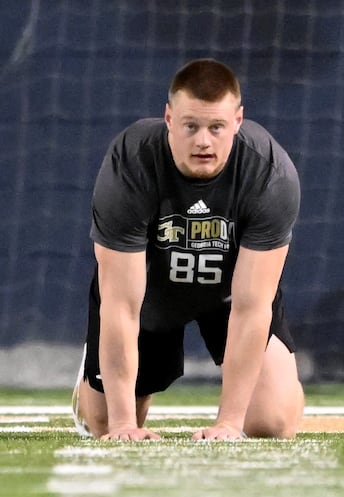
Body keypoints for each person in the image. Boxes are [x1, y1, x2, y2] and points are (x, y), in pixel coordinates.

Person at [74, 58, 304, 441]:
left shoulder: (269, 174)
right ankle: (96, 390)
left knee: (272, 423)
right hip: (149, 292)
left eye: (216, 127)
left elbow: (252, 306)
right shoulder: (130, 164)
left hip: (229, 295)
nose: (203, 141)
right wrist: (121, 425)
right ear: (168, 119)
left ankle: (284, 388)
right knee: (101, 425)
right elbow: (120, 304)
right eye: (190, 126)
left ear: (237, 121)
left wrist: (229, 423)